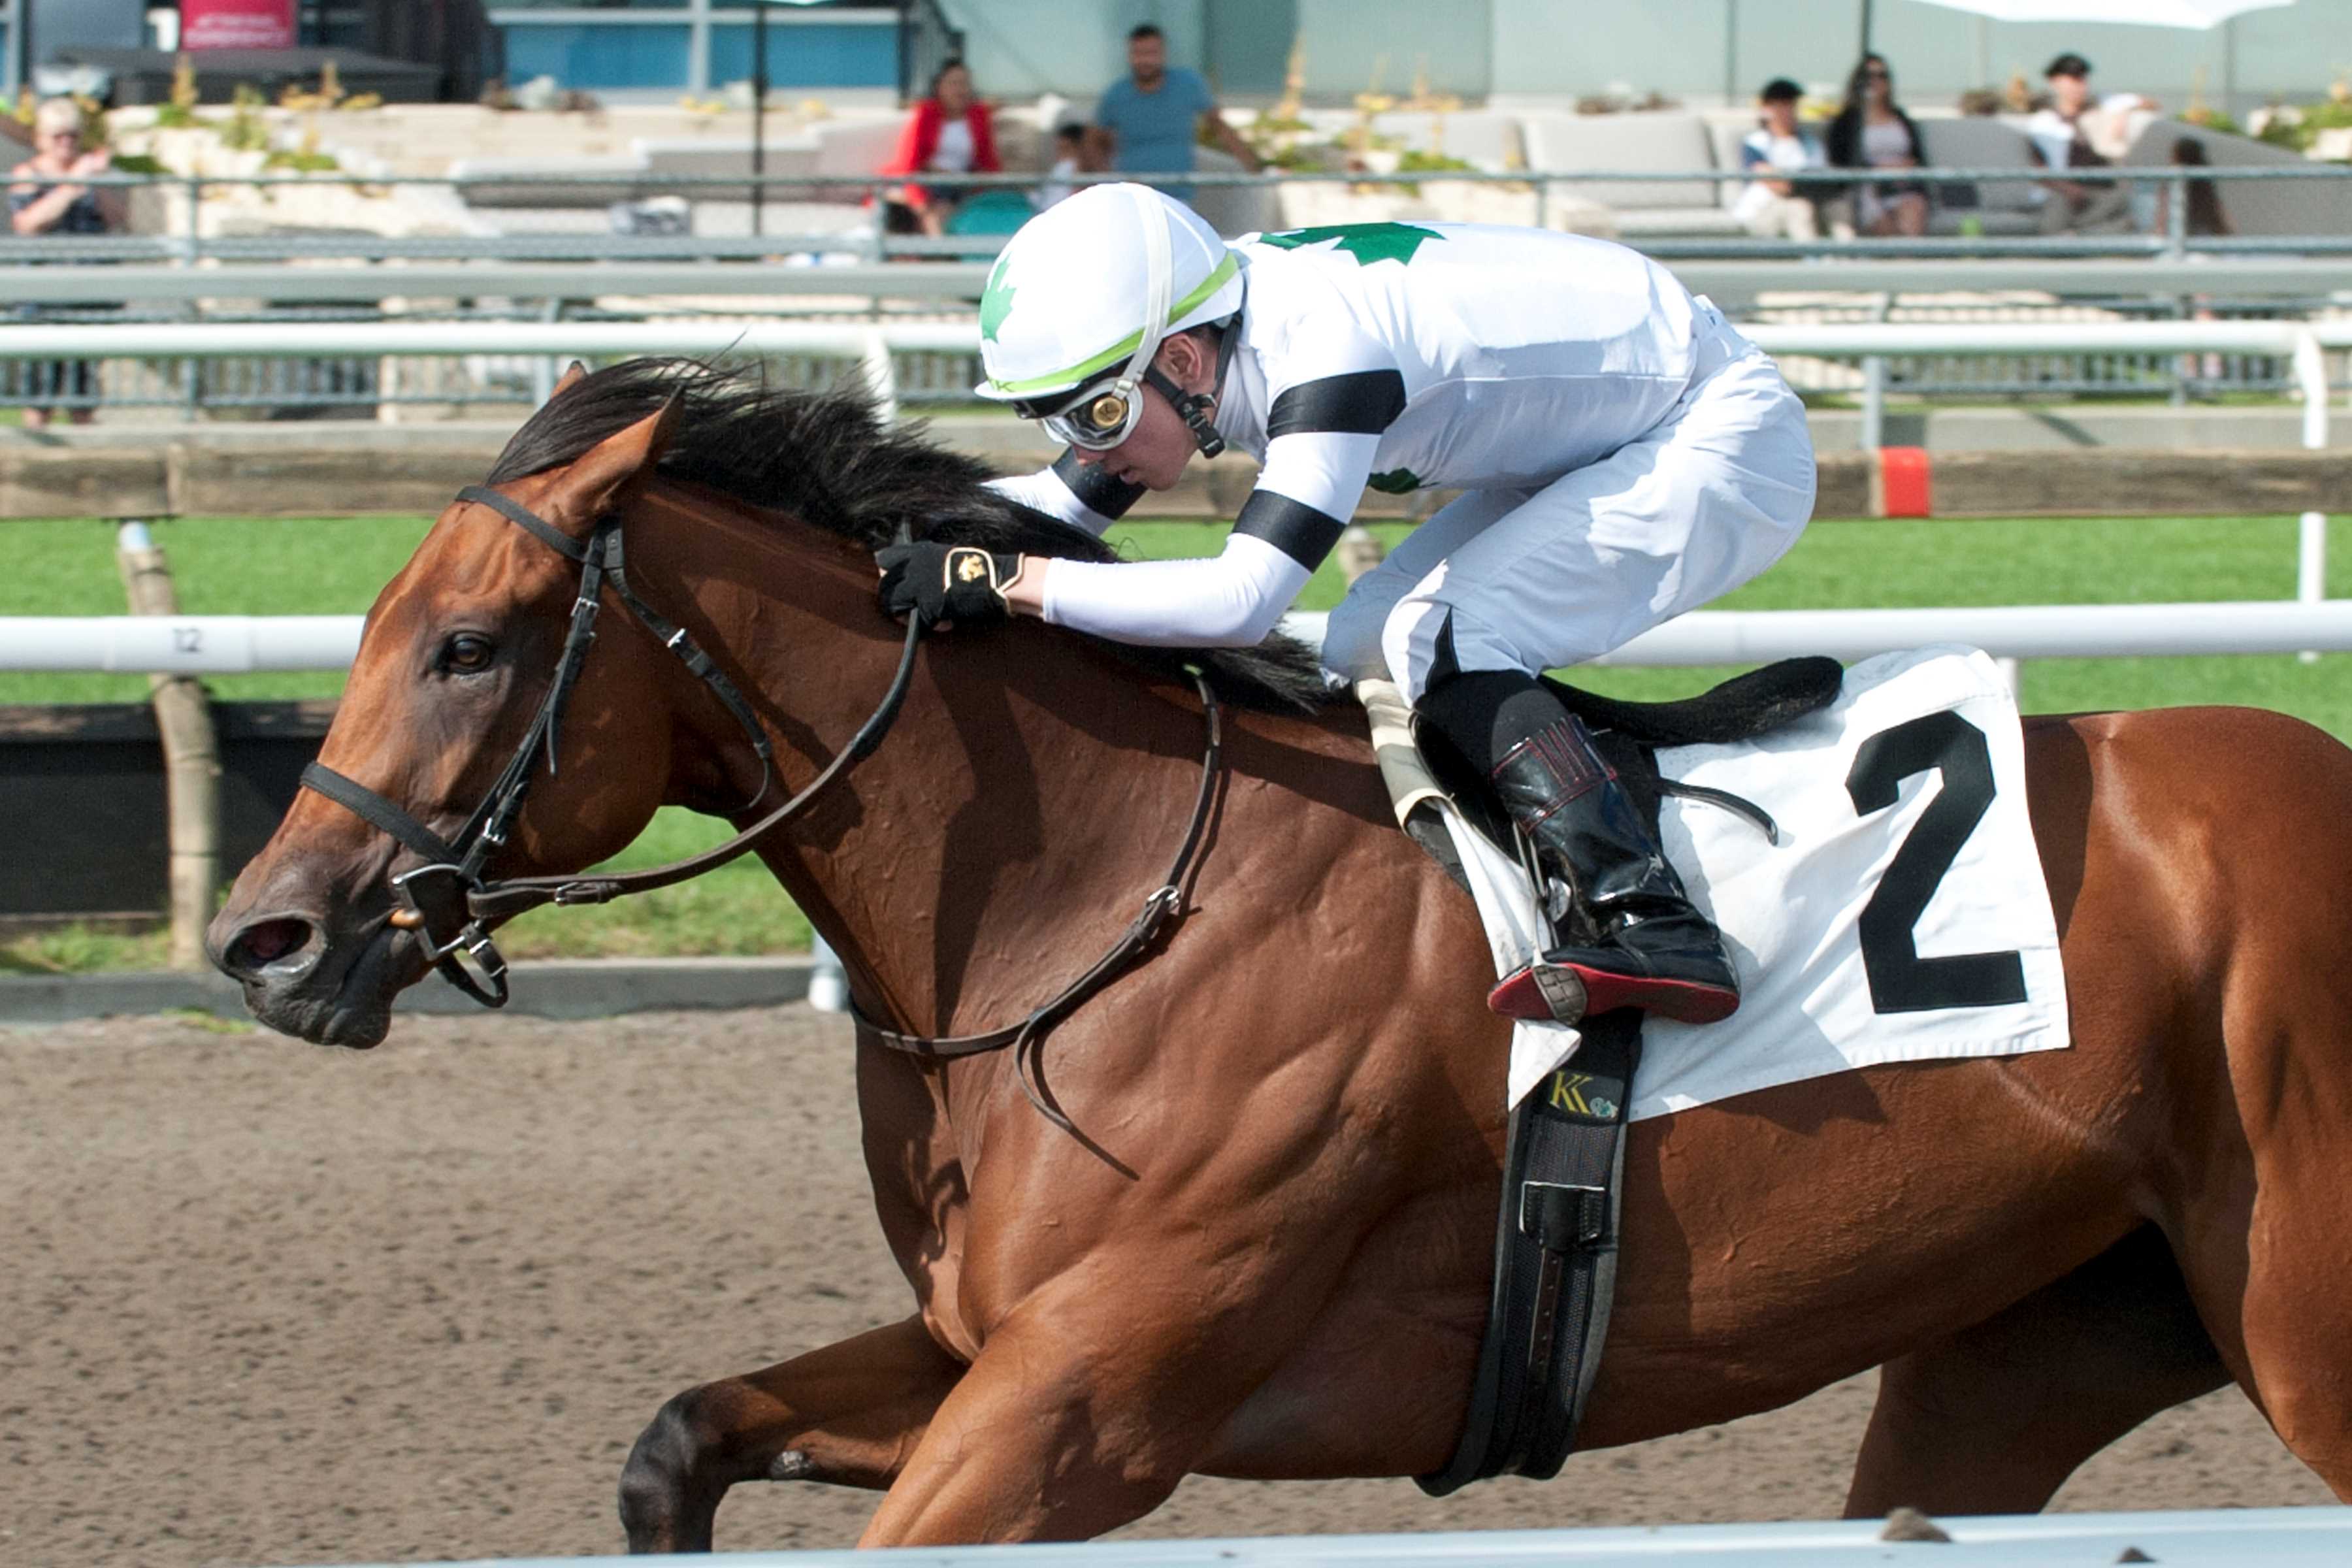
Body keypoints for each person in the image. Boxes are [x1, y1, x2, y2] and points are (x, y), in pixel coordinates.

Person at [876, 185, 1817, 1026]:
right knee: (1367, 638)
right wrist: (884, 527)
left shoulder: (1326, 352)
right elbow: (1055, 505)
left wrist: (1007, 585)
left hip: (1714, 430)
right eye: (1059, 419)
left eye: (1098, 418)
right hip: (1601, 433)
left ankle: (1651, 919)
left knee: (1444, 634)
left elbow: (1241, 601)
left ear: (1183, 361)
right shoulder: (1203, 337)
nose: (1087, 449)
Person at [7, 97, 122, 429]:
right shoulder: (28, 174)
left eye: (72, 135)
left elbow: (118, 218)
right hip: (42, 295)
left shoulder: (91, 173)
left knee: (83, 387)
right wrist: (72, 186)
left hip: (88, 291)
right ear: (42, 138)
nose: (66, 143)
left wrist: (96, 182)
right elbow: (28, 224)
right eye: (58, 135)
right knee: (41, 386)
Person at [1088, 23, 1260, 208]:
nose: (1145, 60)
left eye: (1152, 53)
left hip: (1177, 197)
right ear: (1130, 55)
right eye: (1139, 53)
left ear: (1163, 54)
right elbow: (1093, 141)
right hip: (1130, 200)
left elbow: (1218, 125)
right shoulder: (1116, 94)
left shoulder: (1188, 84)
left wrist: (1251, 166)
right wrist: (1109, 180)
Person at [879, 58, 1000, 238]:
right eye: (953, 84)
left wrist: (982, 190)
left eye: (965, 84)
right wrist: (920, 202)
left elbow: (989, 163)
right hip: (926, 182)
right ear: (939, 87)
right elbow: (908, 165)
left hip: (960, 184)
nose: (960, 90)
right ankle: (939, 257)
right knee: (934, 215)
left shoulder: (979, 116)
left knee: (954, 210)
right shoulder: (925, 115)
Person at [2027, 54, 2139, 236]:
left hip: (2097, 189)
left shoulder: (2098, 111)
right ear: (2055, 82)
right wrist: (2068, 189)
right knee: (2056, 216)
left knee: (2124, 207)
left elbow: (2142, 103)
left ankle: (2077, 235)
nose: (2079, 87)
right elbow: (2037, 166)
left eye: (2082, 80)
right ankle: (2074, 236)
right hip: (2061, 191)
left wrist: (2124, 112)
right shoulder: (2043, 123)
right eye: (2073, 79)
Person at [1825, 54, 1927, 238]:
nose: (1875, 81)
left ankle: (1903, 258)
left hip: (1902, 186)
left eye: (1882, 75)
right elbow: (1840, 163)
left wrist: (1906, 170)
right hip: (1864, 187)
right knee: (1876, 214)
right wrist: (1881, 169)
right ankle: (1902, 259)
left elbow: (1918, 158)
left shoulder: (1901, 118)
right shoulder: (1846, 122)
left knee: (1914, 208)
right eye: (1869, 76)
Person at [1735, 78, 1827, 241]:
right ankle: (1815, 264)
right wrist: (1798, 184)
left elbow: (1821, 177)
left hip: (1812, 201)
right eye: (1781, 105)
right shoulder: (1756, 143)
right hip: (1764, 208)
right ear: (1767, 109)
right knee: (1800, 208)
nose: (1787, 112)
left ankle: (1850, 261)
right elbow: (1776, 183)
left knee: (1839, 208)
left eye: (1791, 105)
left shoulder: (1810, 143)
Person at [1034, 122, 1091, 210]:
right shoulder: (1059, 168)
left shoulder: (1078, 166)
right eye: (1060, 149)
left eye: (1066, 148)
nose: (1061, 153)